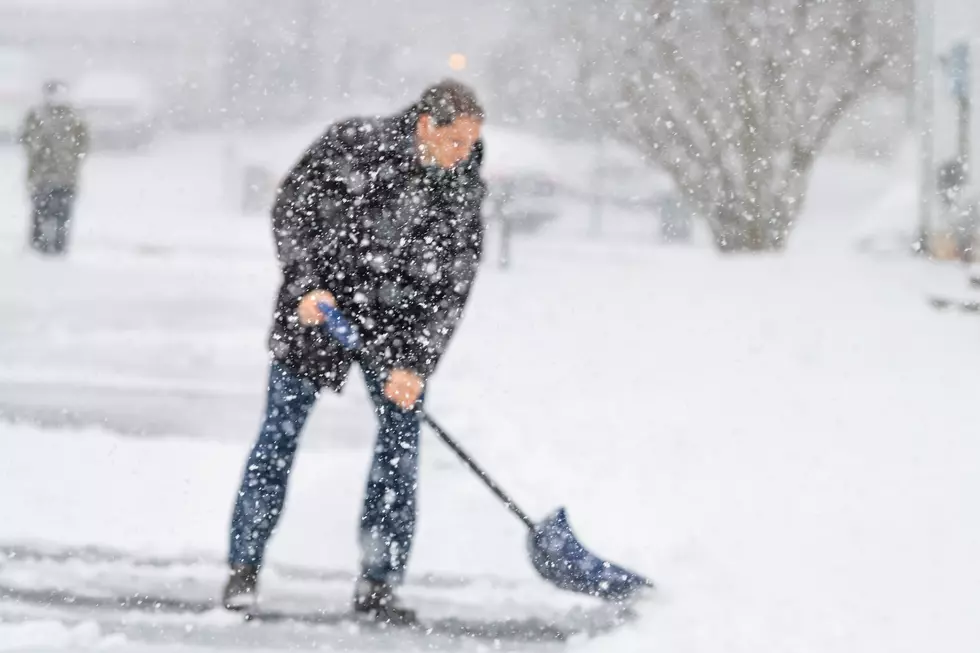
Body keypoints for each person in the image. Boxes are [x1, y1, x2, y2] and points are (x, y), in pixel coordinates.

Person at [223, 80, 487, 624]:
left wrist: (416, 365)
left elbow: (453, 289)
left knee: (399, 450)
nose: (464, 154)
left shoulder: (462, 191)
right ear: (425, 126)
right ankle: (243, 570)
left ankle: (379, 584)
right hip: (321, 310)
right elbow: (292, 209)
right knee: (279, 436)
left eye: (471, 143)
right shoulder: (352, 145)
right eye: (456, 141)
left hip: (397, 332)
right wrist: (303, 284)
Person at [19, 80, 89, 255]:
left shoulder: (73, 118)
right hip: (45, 176)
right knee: (42, 213)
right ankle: (41, 247)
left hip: (61, 176)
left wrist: (69, 159)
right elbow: (26, 140)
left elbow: (83, 144)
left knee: (59, 215)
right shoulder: (37, 116)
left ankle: (56, 247)